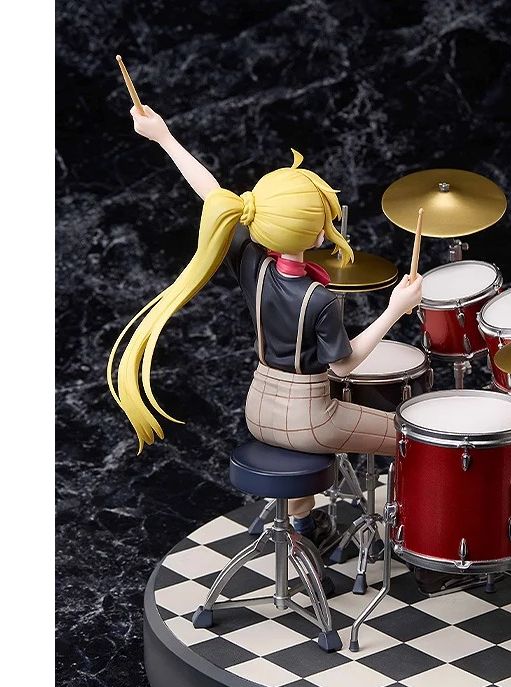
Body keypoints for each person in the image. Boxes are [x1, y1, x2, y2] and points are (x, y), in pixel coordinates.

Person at [108, 105, 422, 550]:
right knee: (414, 437)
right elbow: (344, 366)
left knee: (312, 445)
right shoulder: (320, 299)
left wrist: (163, 137)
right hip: (310, 417)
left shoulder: (253, 262)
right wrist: (395, 309)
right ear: (316, 233)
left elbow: (215, 196)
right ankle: (416, 532)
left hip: (258, 410)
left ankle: (304, 526)